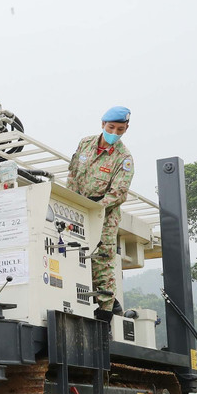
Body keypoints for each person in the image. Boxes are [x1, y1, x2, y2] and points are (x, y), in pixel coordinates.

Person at [67, 106, 134, 322]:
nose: (114, 133)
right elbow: (73, 174)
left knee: (101, 260)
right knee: (72, 251)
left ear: (126, 129)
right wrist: (71, 200)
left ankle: (106, 310)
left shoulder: (124, 158)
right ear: (103, 124)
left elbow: (119, 193)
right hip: (78, 209)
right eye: (111, 127)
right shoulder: (85, 143)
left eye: (120, 129)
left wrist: (95, 206)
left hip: (104, 215)